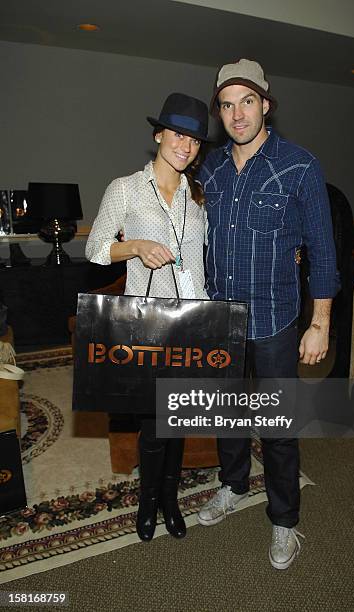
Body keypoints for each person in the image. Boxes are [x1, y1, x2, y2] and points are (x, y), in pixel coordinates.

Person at [197, 59, 340, 569]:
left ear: (266, 105)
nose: (237, 114)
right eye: (227, 104)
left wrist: (318, 322)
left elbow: (322, 249)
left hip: (277, 321)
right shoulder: (209, 167)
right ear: (219, 112)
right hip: (222, 320)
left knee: (278, 427)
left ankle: (284, 520)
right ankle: (233, 485)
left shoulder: (300, 165)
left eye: (247, 102)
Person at [86, 92, 210, 541]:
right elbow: (96, 249)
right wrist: (136, 246)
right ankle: (147, 502)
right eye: (178, 134)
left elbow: (201, 260)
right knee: (155, 422)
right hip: (147, 324)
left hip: (193, 322)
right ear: (158, 134)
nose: (186, 146)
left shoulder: (198, 196)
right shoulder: (125, 189)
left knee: (179, 421)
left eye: (195, 140)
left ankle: (171, 500)